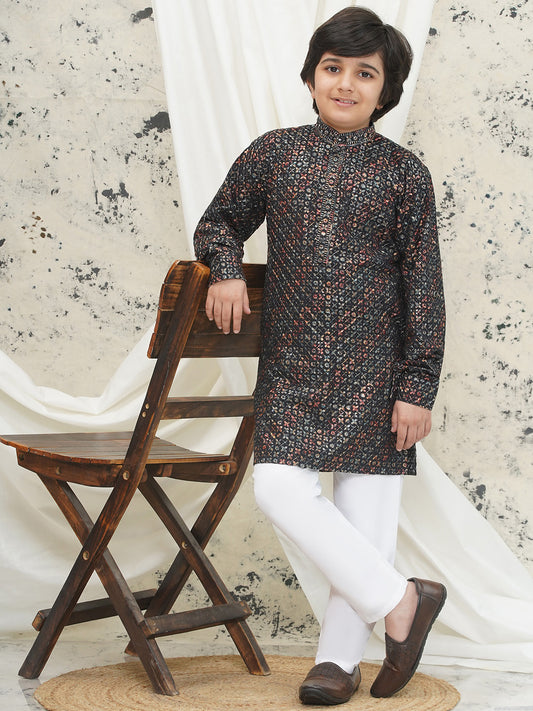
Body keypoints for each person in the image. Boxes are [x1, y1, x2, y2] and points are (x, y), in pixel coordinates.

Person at [194, 6, 446, 706]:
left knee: (365, 524)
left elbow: (423, 287)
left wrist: (417, 385)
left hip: (380, 375)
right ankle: (402, 601)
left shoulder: (403, 174)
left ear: (385, 91)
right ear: (310, 77)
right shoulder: (274, 154)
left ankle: (337, 660)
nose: (345, 84)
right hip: (293, 369)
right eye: (333, 68)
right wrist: (224, 270)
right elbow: (219, 222)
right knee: (279, 488)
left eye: (364, 74)